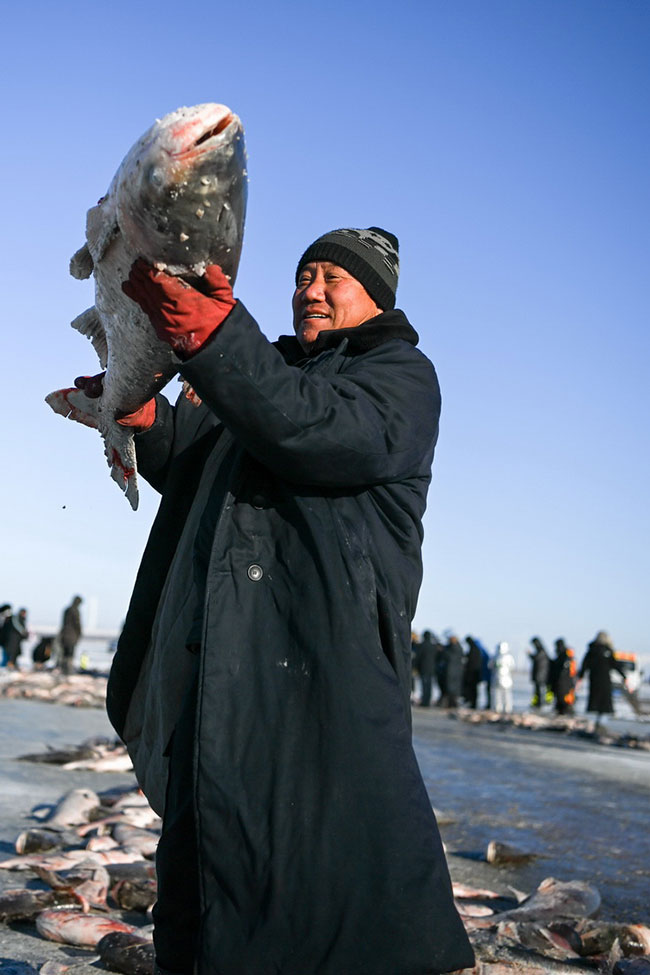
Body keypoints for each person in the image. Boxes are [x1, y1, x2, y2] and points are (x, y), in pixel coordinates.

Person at [70, 227, 474, 974]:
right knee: (207, 851)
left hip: (322, 660)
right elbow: (199, 461)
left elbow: (312, 431)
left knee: (335, 861)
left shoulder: (400, 375)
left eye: (333, 278)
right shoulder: (263, 375)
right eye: (302, 274)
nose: (310, 290)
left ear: (375, 295)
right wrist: (143, 421)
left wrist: (219, 337)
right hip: (220, 660)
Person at [578, 630, 627, 726]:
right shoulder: (608, 651)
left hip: (594, 679)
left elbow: (584, 665)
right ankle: (601, 723)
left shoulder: (591, 650)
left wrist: (581, 676)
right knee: (604, 702)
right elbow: (615, 664)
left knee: (594, 700)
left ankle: (593, 722)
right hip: (605, 679)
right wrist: (623, 676)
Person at [549, 638, 577, 716]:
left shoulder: (565, 655)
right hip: (562, 682)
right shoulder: (563, 655)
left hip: (565, 682)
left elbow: (564, 670)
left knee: (565, 699)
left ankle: (567, 712)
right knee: (560, 699)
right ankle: (561, 712)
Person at [58, 596, 83, 675]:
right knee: (70, 654)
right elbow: (77, 623)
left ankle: (64, 670)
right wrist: (79, 633)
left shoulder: (67, 610)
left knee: (65, 654)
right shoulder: (75, 611)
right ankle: (68, 671)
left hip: (64, 635)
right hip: (72, 636)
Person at [415, 629, 440, 707]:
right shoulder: (433, 646)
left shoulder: (422, 645)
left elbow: (418, 657)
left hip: (423, 668)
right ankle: (427, 701)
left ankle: (424, 702)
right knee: (429, 685)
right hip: (431, 668)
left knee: (424, 685)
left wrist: (415, 666)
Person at [491, 641, 515, 713]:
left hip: (499, 678)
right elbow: (512, 667)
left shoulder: (495, 656)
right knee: (505, 694)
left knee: (499, 694)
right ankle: (507, 707)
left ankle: (500, 707)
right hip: (505, 679)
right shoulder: (509, 657)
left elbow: (490, 666)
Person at [528, 635, 550, 708]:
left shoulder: (541, 651)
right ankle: (537, 703)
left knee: (539, 691)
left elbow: (535, 658)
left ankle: (539, 704)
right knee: (536, 691)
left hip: (540, 675)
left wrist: (530, 655)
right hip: (539, 674)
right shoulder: (541, 651)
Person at [463, 635, 483, 709]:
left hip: (473, 674)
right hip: (475, 674)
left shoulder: (473, 650)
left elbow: (471, 662)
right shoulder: (475, 649)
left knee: (473, 690)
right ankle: (473, 703)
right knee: (473, 690)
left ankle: (473, 703)